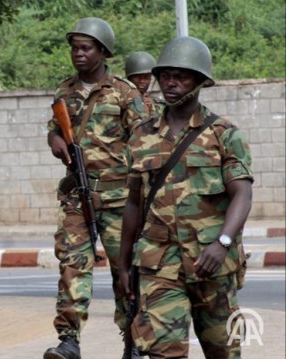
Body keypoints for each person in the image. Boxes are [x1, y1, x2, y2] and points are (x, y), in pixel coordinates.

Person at [118, 36, 253, 359]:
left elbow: (242, 193)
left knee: (224, 351)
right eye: (165, 76)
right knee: (164, 353)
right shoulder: (142, 135)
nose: (171, 83)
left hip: (211, 265)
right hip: (158, 264)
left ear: (200, 81)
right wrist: (122, 264)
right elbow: (134, 202)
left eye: (181, 76)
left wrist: (222, 242)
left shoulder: (224, 134)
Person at [43, 17, 147, 359]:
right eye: (74, 48)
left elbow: (145, 141)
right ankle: (69, 340)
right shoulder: (64, 91)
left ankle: (132, 342)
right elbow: (53, 128)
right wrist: (55, 139)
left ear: (102, 51)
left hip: (120, 199)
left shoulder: (124, 92)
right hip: (77, 195)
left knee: (125, 270)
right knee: (73, 264)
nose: (78, 54)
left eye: (86, 48)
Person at [124, 51, 164, 117]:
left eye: (146, 77)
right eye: (137, 76)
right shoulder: (120, 100)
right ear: (129, 78)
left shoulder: (155, 104)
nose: (142, 81)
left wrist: (152, 109)